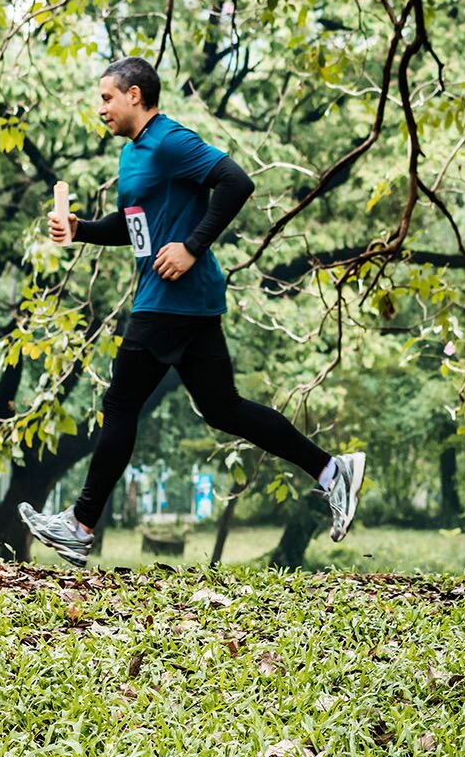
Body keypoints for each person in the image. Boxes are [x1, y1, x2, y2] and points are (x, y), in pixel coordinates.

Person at [19, 57, 365, 567]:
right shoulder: (134, 155)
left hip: (172, 296)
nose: (101, 109)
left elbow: (236, 181)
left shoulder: (170, 139)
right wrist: (82, 229)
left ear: (135, 95)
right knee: (222, 408)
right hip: (182, 299)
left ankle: (79, 524)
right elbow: (134, 224)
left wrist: (193, 246)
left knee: (119, 405)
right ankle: (333, 471)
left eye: (107, 98)